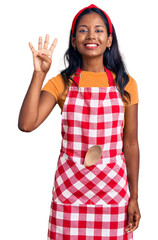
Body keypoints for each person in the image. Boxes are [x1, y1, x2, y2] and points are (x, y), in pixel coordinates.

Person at [18, 4, 141, 239]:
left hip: (112, 194)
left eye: (99, 30)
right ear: (74, 41)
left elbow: (131, 144)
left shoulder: (126, 84)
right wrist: (39, 74)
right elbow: (26, 124)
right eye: (83, 30)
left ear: (109, 40)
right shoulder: (62, 83)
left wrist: (133, 196)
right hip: (70, 193)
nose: (91, 35)